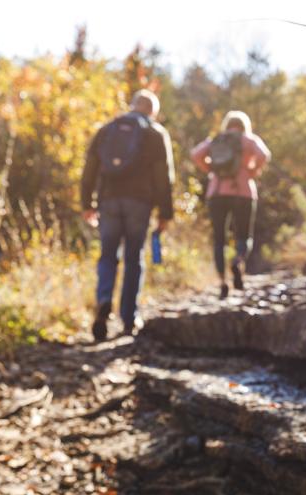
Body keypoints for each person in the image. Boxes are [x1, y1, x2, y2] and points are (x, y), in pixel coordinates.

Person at [81, 89, 174, 341]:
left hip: (108, 201)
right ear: (152, 111)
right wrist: (165, 212)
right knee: (134, 258)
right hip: (139, 203)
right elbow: (164, 176)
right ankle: (129, 317)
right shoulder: (154, 133)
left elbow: (89, 168)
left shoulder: (106, 130)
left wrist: (86, 203)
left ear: (132, 106)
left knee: (108, 256)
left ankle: (103, 303)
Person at [190, 110, 271, 299]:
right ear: (245, 126)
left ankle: (222, 282)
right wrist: (252, 170)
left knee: (219, 239)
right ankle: (238, 260)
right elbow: (264, 155)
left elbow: (195, 154)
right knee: (244, 235)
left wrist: (210, 169)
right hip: (243, 191)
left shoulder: (216, 139)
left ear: (227, 125)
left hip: (217, 192)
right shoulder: (248, 140)